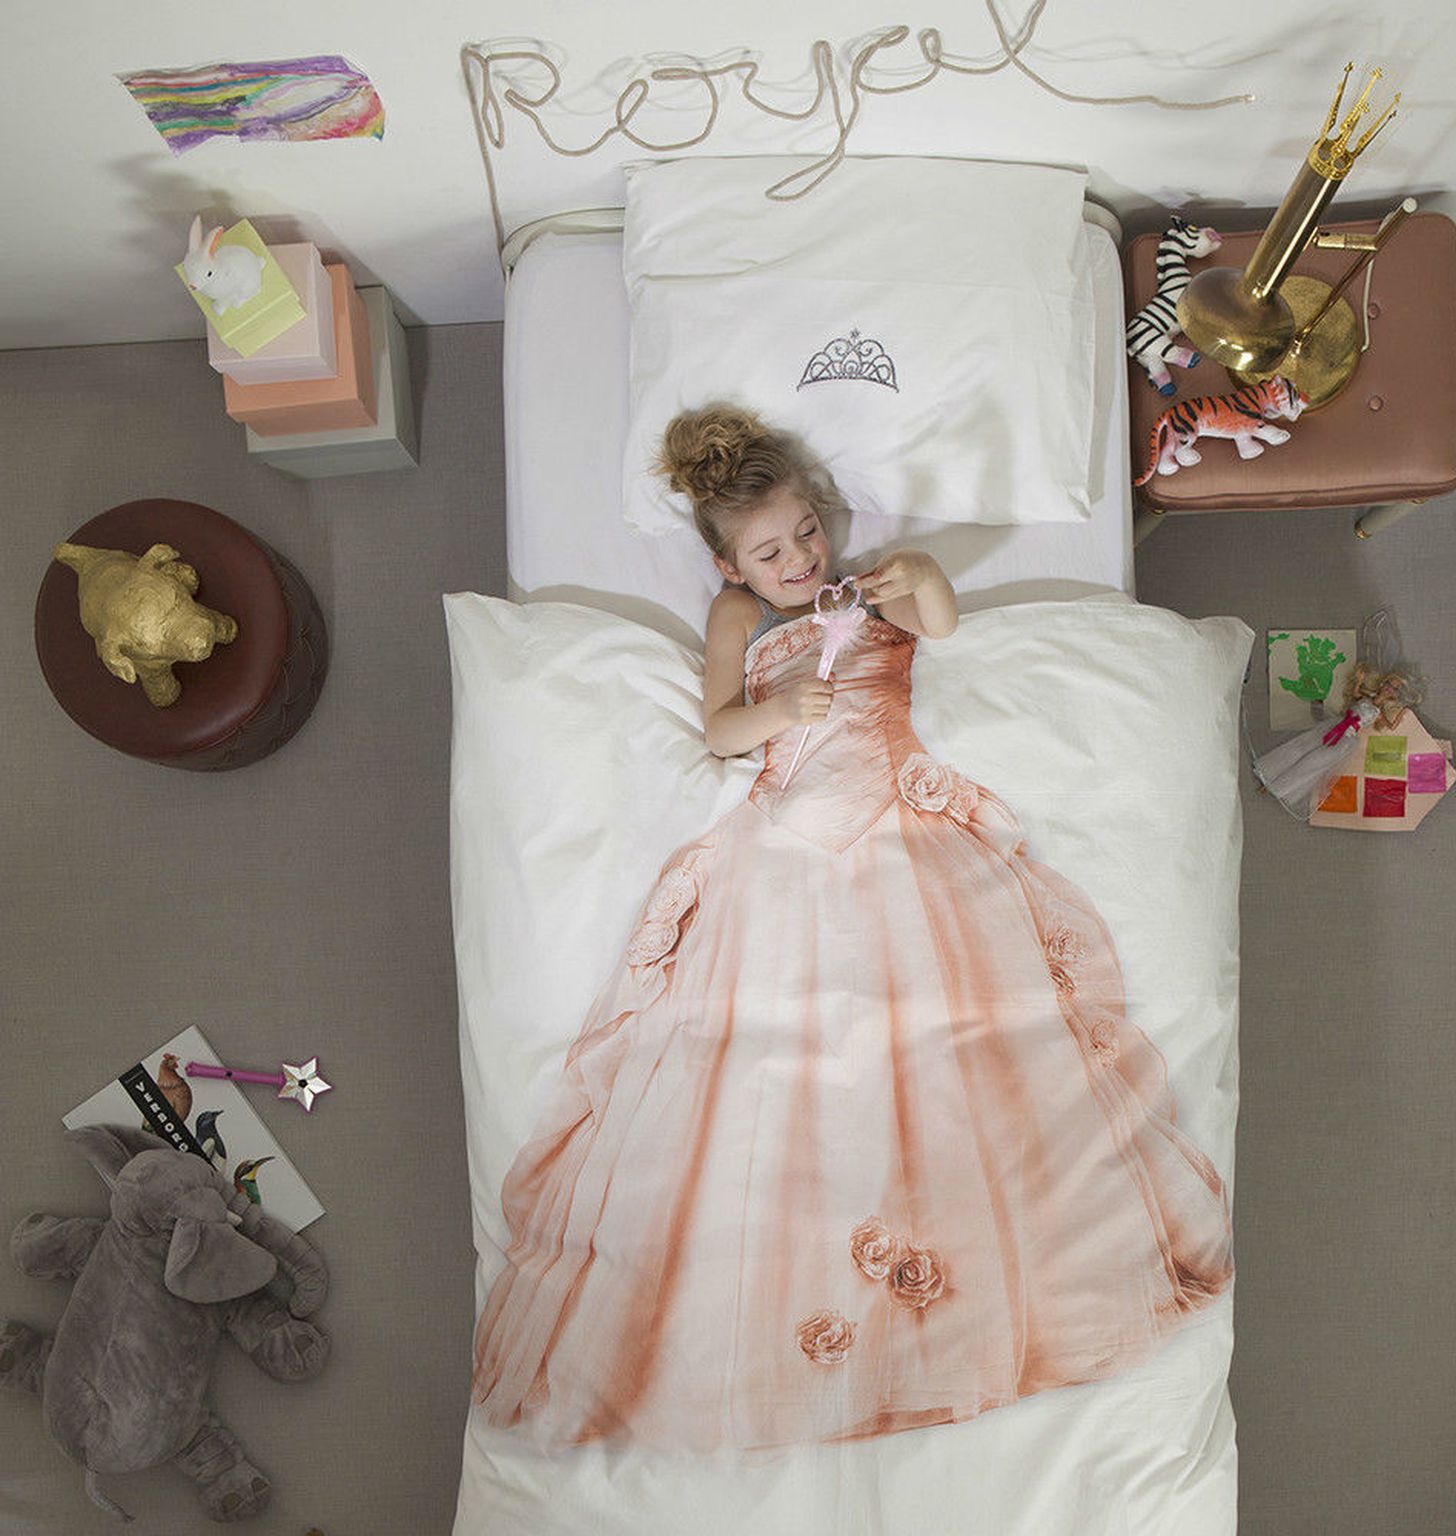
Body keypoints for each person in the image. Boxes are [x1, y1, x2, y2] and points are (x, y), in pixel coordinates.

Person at [472, 404, 1233, 1452]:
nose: (799, 561)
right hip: (786, 839)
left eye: (807, 535)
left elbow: (941, 625)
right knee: (774, 1054)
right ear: (728, 563)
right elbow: (720, 729)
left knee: (950, 1030)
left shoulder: (867, 586)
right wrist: (778, 713)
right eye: (770, 553)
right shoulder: (739, 615)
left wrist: (919, 572)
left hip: (903, 826)